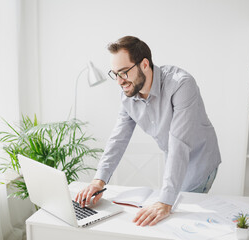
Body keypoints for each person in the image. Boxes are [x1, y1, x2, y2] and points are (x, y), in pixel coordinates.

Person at [76, 36, 221, 227]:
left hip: (199, 161)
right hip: (174, 160)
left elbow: (179, 143)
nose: (119, 81)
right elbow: (118, 139)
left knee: (180, 222)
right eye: (115, 74)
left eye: (124, 72)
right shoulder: (128, 93)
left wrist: (165, 201)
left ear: (144, 64)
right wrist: (98, 181)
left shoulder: (181, 85)